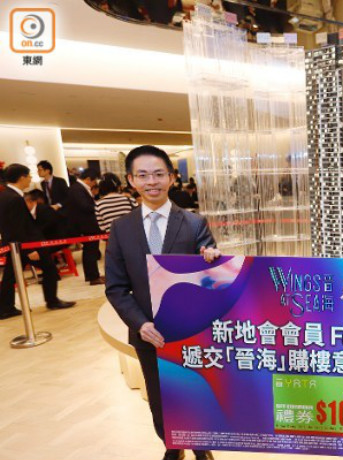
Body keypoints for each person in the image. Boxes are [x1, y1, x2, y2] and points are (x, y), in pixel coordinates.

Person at [105, 145, 220, 460]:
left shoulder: (194, 223)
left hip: (190, 331)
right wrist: (140, 324)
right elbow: (115, 287)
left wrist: (212, 259)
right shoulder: (121, 228)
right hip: (148, 333)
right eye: (142, 175)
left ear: (171, 177)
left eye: (158, 174)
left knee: (195, 393)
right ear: (131, 180)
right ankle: (172, 446)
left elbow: (211, 276)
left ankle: (201, 447)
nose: (151, 182)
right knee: (159, 399)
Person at [0, 164, 75, 319]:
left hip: (15, 244)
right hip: (24, 245)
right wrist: (29, 250)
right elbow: (18, 226)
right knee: (50, 269)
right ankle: (52, 301)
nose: (30, 179)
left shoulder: (5, 195)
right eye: (28, 176)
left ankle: (5, 308)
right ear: (21, 177)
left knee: (10, 276)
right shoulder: (14, 198)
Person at [64, 168, 104, 285]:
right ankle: (93, 277)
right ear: (88, 179)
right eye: (94, 181)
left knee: (91, 250)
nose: (94, 184)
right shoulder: (77, 189)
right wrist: (98, 207)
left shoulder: (78, 188)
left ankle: (93, 275)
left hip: (87, 224)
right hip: (85, 225)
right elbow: (84, 206)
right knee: (90, 251)